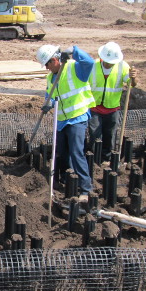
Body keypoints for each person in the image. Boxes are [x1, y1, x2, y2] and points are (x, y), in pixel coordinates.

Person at [36, 44, 96, 201]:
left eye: (47, 64)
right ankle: (66, 178)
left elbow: (89, 62)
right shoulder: (51, 78)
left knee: (76, 152)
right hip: (61, 121)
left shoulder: (74, 69)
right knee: (61, 152)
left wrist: (74, 50)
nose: (47, 68)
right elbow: (49, 94)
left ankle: (85, 188)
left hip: (77, 117)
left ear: (55, 60)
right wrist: (46, 104)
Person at [88, 42, 138, 163]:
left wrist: (134, 77)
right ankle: (94, 159)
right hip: (94, 106)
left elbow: (132, 84)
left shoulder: (123, 66)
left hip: (112, 107)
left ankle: (106, 158)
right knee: (95, 134)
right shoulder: (93, 66)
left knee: (110, 135)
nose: (109, 63)